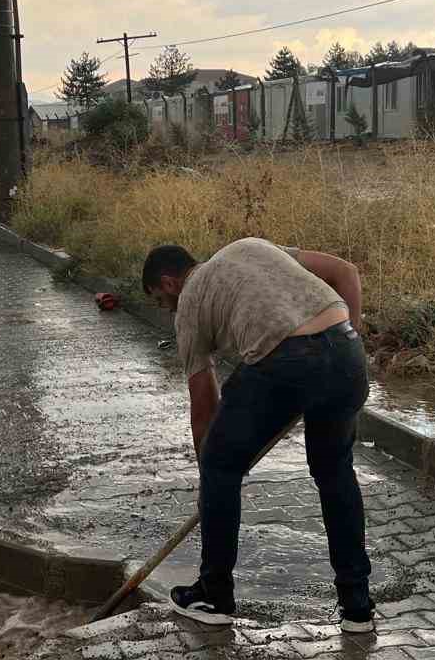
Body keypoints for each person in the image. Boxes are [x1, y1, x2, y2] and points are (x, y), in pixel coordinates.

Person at [142, 238, 374, 632]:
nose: (168, 310)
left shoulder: (190, 305)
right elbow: (345, 271)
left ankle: (214, 595)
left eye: (161, 302)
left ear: (168, 284)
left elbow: (204, 404)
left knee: (218, 464)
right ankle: (357, 608)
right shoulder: (252, 245)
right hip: (347, 348)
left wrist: (213, 484)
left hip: (285, 358)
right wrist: (343, 344)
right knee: (335, 474)